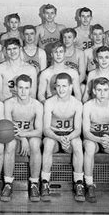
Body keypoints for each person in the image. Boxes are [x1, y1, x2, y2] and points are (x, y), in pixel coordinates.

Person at [42, 73, 84, 202]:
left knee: (77, 144)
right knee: (48, 143)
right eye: (58, 86)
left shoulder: (77, 104)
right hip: (54, 136)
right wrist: (59, 138)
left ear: (71, 86)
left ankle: (79, 183)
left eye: (64, 86)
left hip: (70, 136)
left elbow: (78, 129)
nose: (61, 89)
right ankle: (44, 182)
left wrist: (68, 138)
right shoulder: (49, 102)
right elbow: (46, 129)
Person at [3, 75, 44, 202]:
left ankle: (34, 184)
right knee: (9, 144)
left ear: (31, 89)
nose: (23, 91)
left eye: (26, 88)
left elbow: (39, 131)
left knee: (35, 145)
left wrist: (25, 136)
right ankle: (8, 183)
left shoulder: (37, 105)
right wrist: (22, 139)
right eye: (20, 87)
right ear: (15, 88)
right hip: (14, 135)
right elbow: (7, 128)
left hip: (31, 135)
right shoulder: (8, 103)